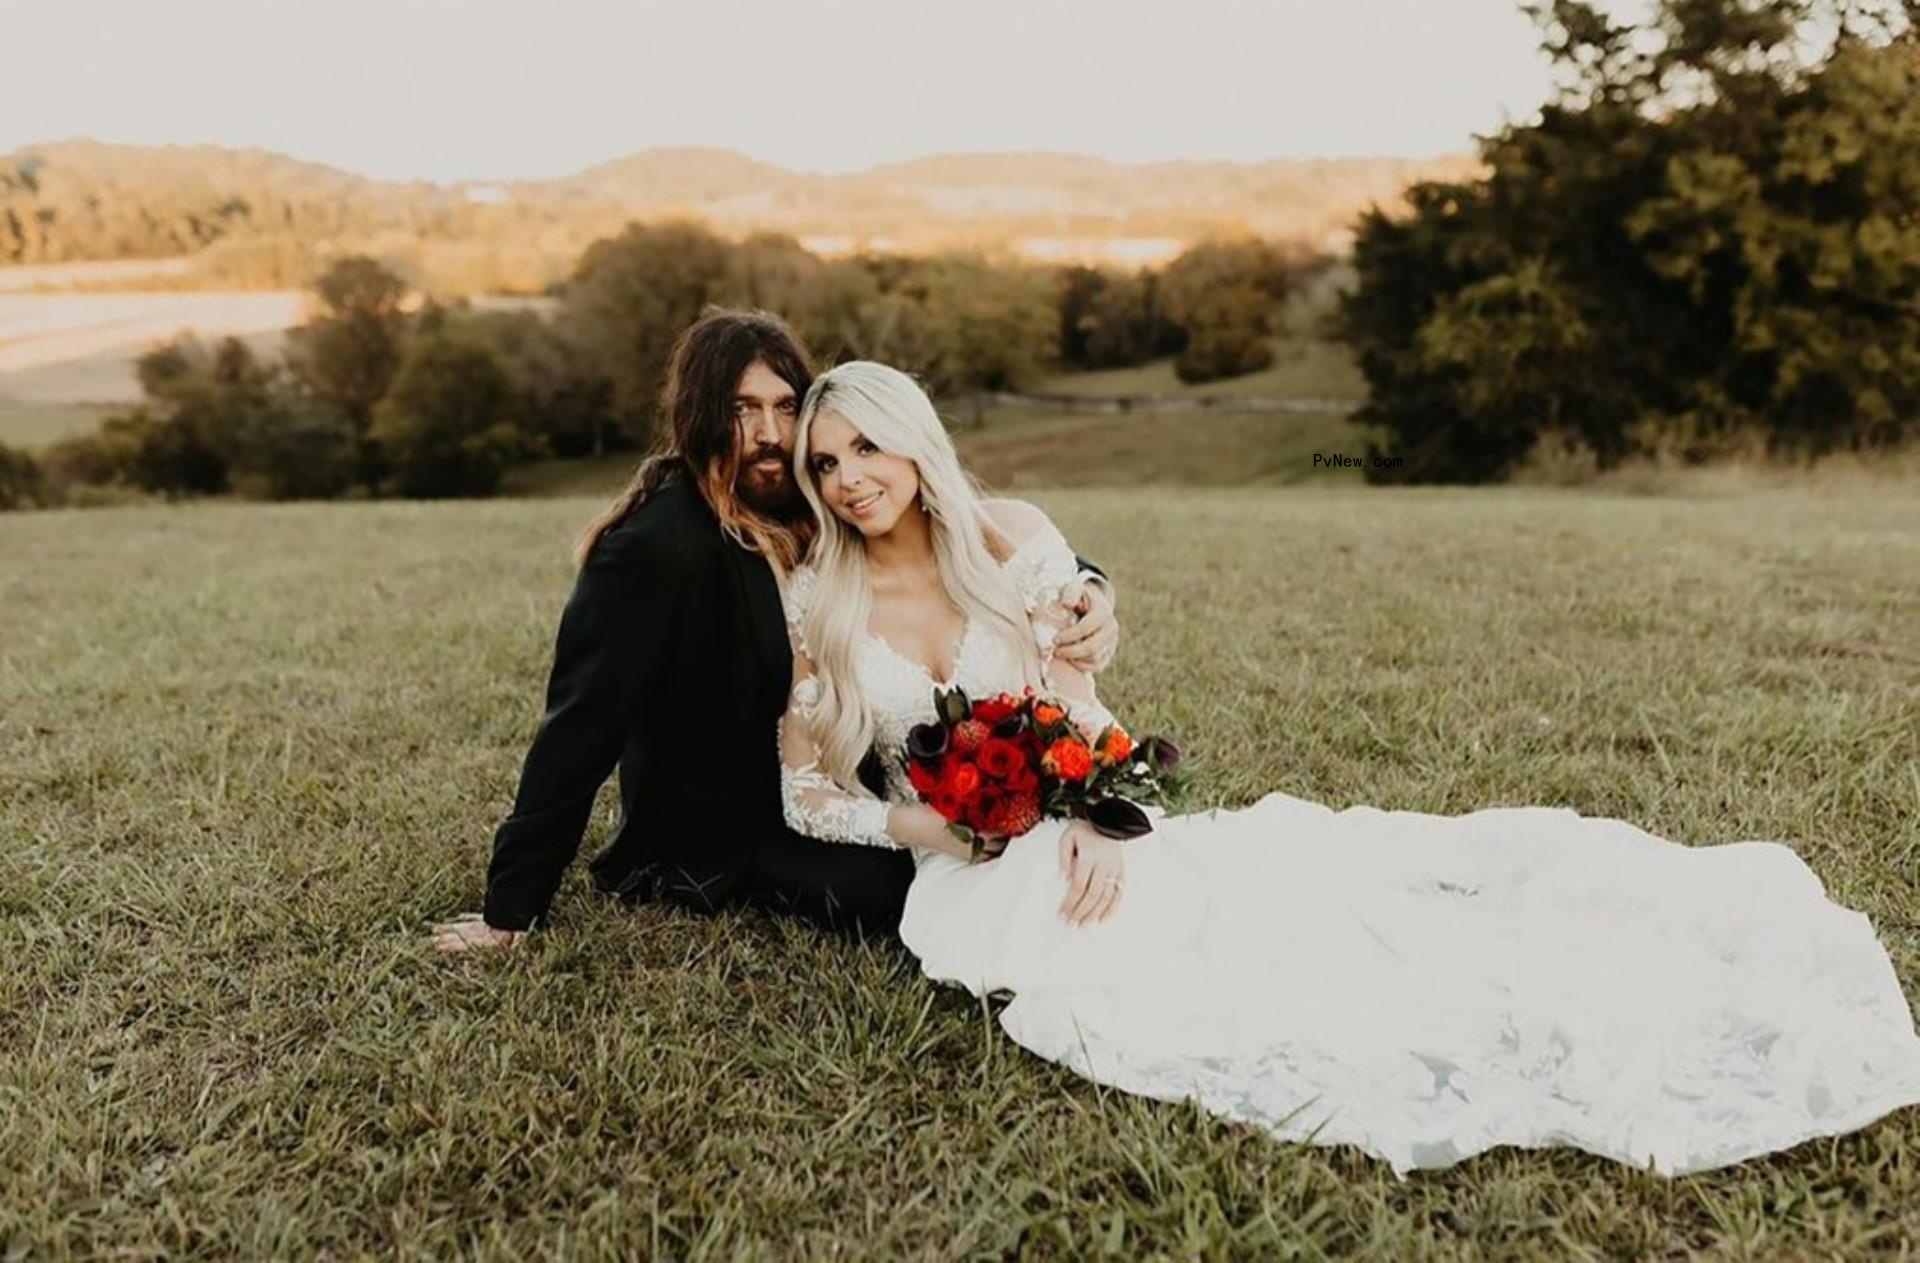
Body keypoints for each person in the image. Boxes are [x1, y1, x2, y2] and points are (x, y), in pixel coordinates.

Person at [773, 359, 1920, 1177]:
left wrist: (1103, 815)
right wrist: (926, 831)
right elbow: (805, 793)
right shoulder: (819, 598)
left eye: (867, 445)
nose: (850, 477)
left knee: (1303, 938)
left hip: (1087, 818)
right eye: (825, 462)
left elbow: (1078, 696)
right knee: (1143, 988)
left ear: (914, 437)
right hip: (967, 867)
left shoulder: (1012, 534)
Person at [430, 310, 1120, 952]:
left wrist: (1088, 590)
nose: (768, 433)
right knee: (909, 895)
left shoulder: (813, 496)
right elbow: (579, 726)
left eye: (785, 407)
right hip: (731, 819)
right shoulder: (651, 548)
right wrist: (511, 908)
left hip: (867, 780)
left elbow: (970, 538)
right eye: (742, 409)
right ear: (700, 416)